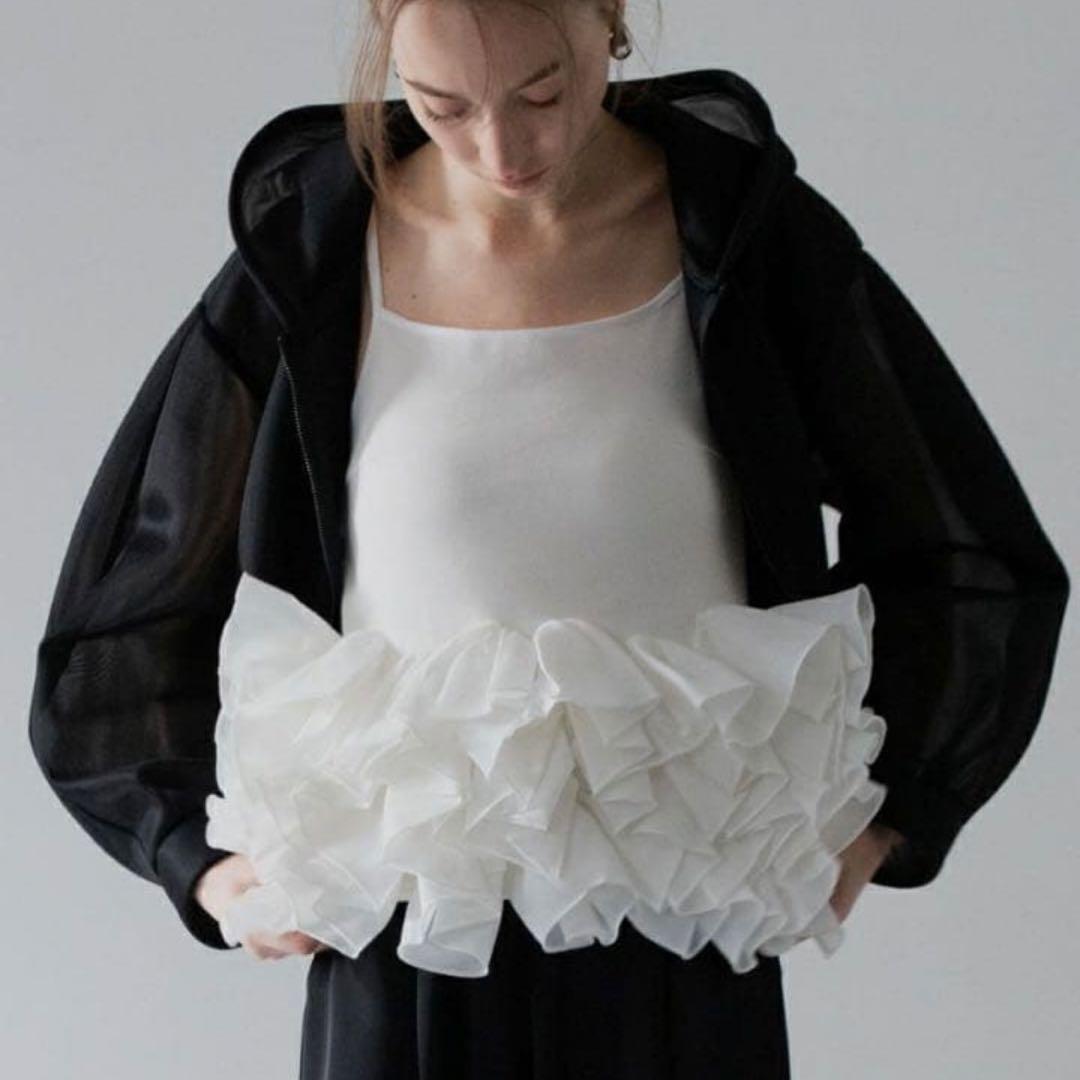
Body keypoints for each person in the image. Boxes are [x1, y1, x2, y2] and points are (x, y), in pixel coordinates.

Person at [28, 2, 1069, 1078]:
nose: (502, 148)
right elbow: (135, 587)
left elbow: (962, 539)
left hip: (679, 912)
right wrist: (201, 862)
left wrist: (891, 813)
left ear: (607, 21)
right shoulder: (312, 258)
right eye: (444, 106)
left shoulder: (747, 238)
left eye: (542, 93)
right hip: (407, 929)